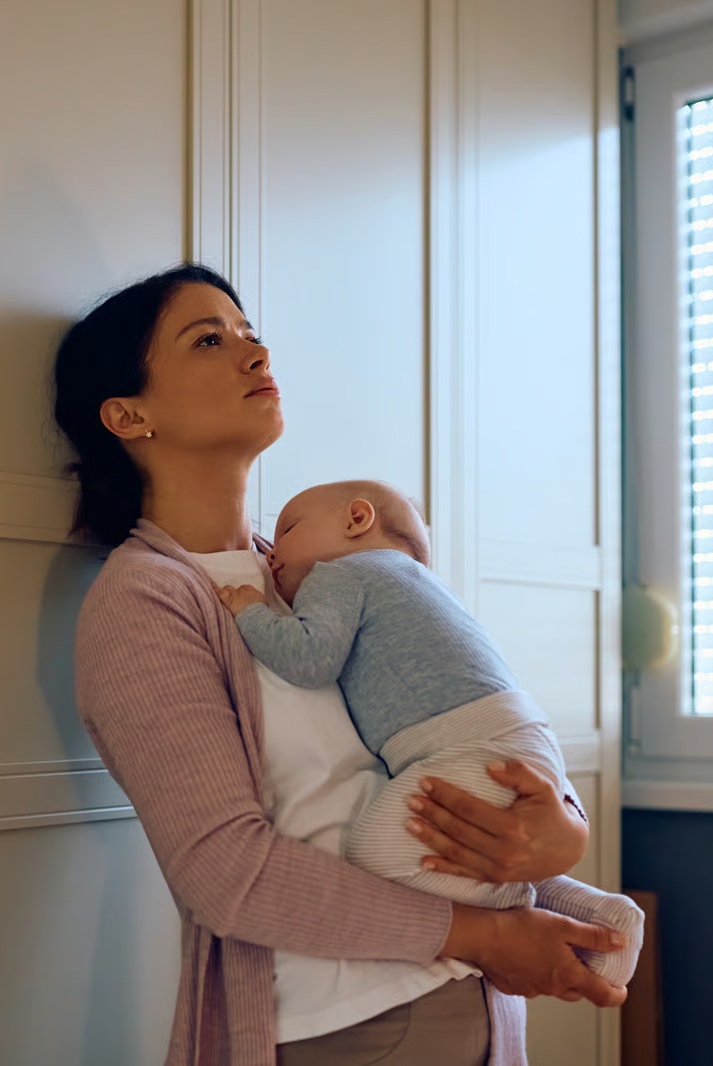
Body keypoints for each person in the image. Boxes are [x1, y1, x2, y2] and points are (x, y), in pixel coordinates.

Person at [54, 263, 628, 1066]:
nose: (255, 355)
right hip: (346, 1027)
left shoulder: (330, 572)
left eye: (252, 335)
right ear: (128, 414)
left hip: (474, 1003)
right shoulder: (144, 602)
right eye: (209, 340)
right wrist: (492, 935)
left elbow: (460, 721)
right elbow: (226, 872)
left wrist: (557, 830)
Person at [216, 480, 643, 986]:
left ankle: (519, 911)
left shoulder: (341, 574)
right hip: (517, 736)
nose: (273, 553)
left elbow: (309, 659)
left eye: (286, 530)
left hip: (465, 743)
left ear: (357, 519)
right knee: (490, 842)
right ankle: (606, 919)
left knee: (374, 854)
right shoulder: (417, 587)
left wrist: (250, 612)